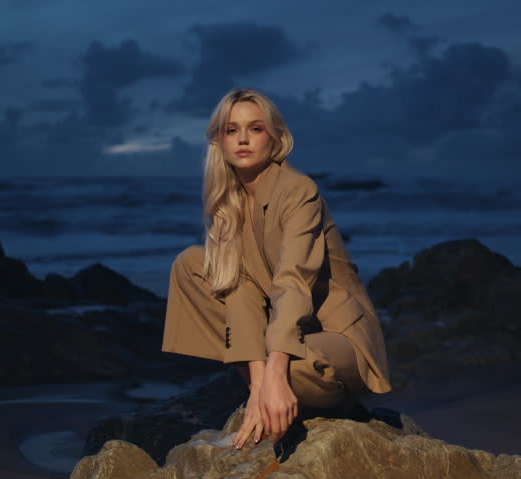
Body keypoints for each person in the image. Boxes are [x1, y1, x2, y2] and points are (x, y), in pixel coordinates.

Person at [161, 88, 391, 451]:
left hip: (334, 340)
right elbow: (241, 292)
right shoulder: (229, 202)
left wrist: (276, 368)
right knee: (192, 264)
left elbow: (293, 280)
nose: (242, 139)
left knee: (296, 368)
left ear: (277, 138)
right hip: (285, 335)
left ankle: (287, 384)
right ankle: (267, 389)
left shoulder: (299, 190)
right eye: (231, 130)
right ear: (218, 141)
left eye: (255, 128)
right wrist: (259, 383)